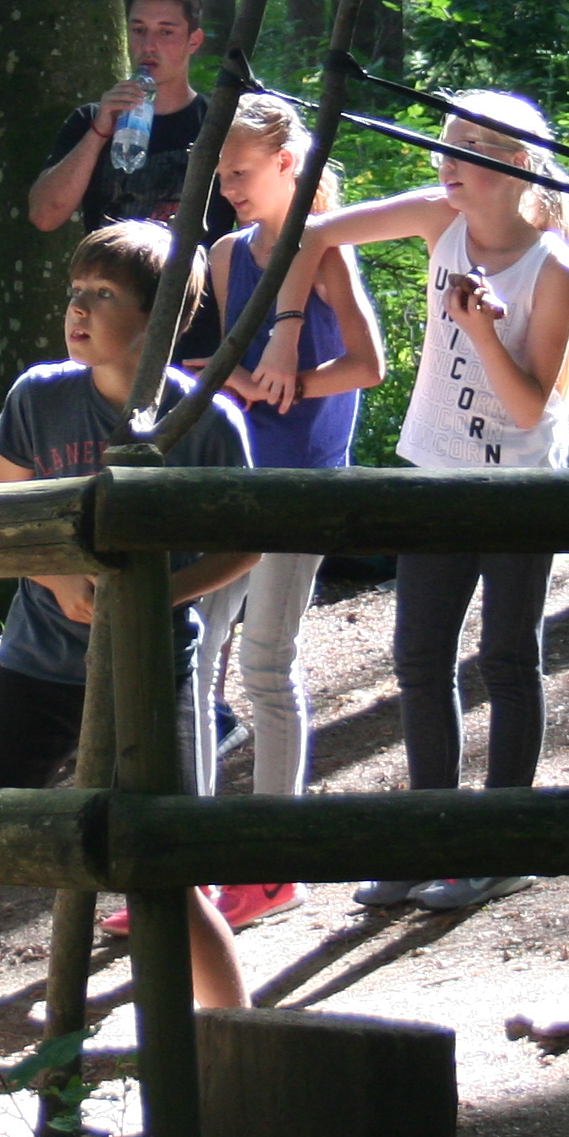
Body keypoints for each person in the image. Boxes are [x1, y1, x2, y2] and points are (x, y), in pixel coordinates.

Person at [0, 221, 256, 1009]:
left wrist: (155, 595)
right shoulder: (40, 397)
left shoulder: (207, 421)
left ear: (161, 318)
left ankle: (236, 1041)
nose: (78, 309)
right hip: (35, 665)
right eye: (75, 292)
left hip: (150, 673)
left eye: (103, 295)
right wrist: (55, 577)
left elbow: (243, 542)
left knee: (164, 864)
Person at [265, 88, 569, 913]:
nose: (446, 162)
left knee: (507, 659)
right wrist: (288, 330)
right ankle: (431, 839)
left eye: (468, 147)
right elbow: (311, 230)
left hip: (520, 488)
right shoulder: (438, 217)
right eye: (444, 144)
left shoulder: (552, 268)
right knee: (420, 659)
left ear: (517, 164)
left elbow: (529, 409)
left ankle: (502, 848)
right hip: (434, 473)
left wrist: (481, 331)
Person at [192, 94, 385, 911]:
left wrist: (292, 383)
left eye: (240, 172)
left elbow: (369, 365)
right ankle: (192, 857)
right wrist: (232, 377)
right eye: (221, 174)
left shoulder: (327, 248)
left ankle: (273, 865)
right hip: (234, 478)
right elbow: (223, 359)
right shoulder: (227, 255)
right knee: (196, 653)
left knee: (266, 660)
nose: (229, 188)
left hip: (300, 480)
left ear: (284, 165)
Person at [27, 0, 237, 365]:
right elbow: (45, 215)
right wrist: (100, 130)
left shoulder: (219, 125)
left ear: (193, 41)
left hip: (194, 331)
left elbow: (254, 234)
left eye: (166, 32)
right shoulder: (90, 121)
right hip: (107, 329)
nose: (149, 46)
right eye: (138, 30)